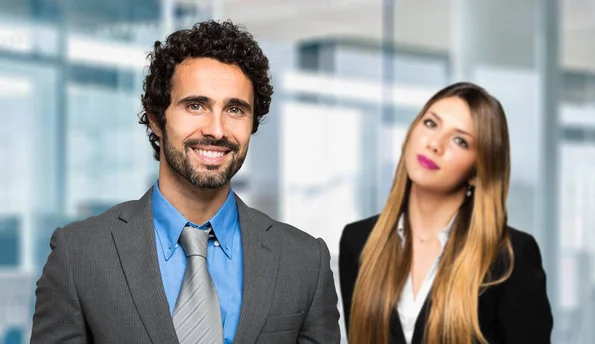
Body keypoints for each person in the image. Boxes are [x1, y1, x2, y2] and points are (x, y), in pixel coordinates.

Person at [31, 20, 340, 344]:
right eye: (196, 105)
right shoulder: (80, 255)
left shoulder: (304, 262)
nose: (217, 130)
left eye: (235, 109)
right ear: (156, 118)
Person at [339, 82, 553, 344]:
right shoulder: (358, 241)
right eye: (431, 124)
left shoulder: (510, 257)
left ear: (477, 172)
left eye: (460, 141)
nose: (435, 144)